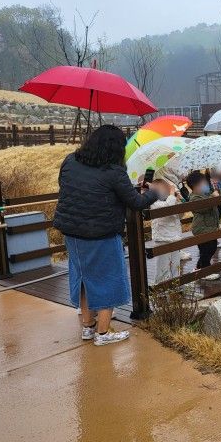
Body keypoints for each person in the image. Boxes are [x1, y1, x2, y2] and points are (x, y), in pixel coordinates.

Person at [53, 124, 160, 346]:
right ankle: (103, 334)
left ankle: (88, 327)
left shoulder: (70, 160)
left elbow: (72, 186)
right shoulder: (113, 171)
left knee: (83, 279)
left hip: (72, 234)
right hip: (101, 235)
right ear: (116, 149)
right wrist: (153, 193)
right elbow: (137, 202)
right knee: (108, 281)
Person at [186, 170, 221, 280]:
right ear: (195, 186)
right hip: (201, 228)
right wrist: (212, 198)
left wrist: (217, 190)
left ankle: (199, 268)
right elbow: (203, 207)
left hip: (210, 227)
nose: (206, 185)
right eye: (203, 184)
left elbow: (217, 200)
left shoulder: (205, 194)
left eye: (206, 183)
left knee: (212, 247)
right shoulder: (194, 198)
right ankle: (206, 271)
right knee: (206, 250)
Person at [149, 179, 183, 285]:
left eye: (166, 189)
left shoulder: (170, 200)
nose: (164, 191)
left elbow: (180, 215)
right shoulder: (154, 202)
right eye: (160, 189)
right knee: (163, 268)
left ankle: (175, 287)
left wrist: (178, 199)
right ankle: (160, 289)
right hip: (162, 239)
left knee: (175, 266)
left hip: (175, 237)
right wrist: (172, 195)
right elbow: (166, 209)